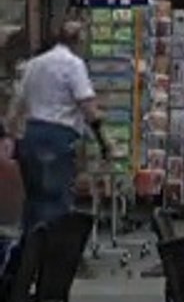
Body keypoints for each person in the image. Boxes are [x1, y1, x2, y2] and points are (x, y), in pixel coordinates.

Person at [6, 22, 109, 230]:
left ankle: (30, 253)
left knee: (34, 199)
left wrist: (13, 136)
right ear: (78, 40)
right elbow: (88, 107)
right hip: (56, 137)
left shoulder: (34, 64)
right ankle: (53, 255)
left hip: (30, 135)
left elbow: (17, 106)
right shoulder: (73, 64)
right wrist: (104, 142)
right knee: (55, 199)